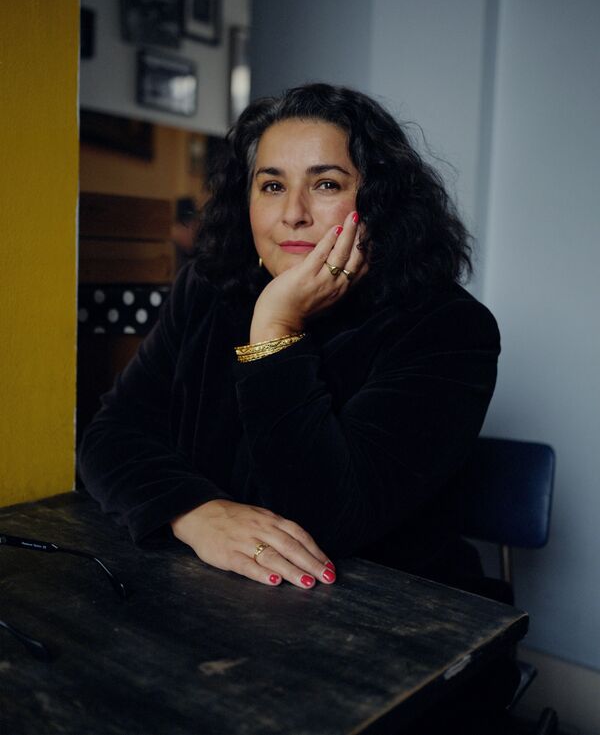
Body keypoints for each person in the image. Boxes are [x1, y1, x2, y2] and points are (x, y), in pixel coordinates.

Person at [78, 83, 500, 596]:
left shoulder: (448, 328)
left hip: (386, 616)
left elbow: (329, 519)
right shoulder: (210, 288)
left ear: (379, 201)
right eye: (272, 186)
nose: (293, 212)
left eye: (326, 184)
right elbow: (110, 436)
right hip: (209, 595)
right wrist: (193, 513)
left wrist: (276, 327)